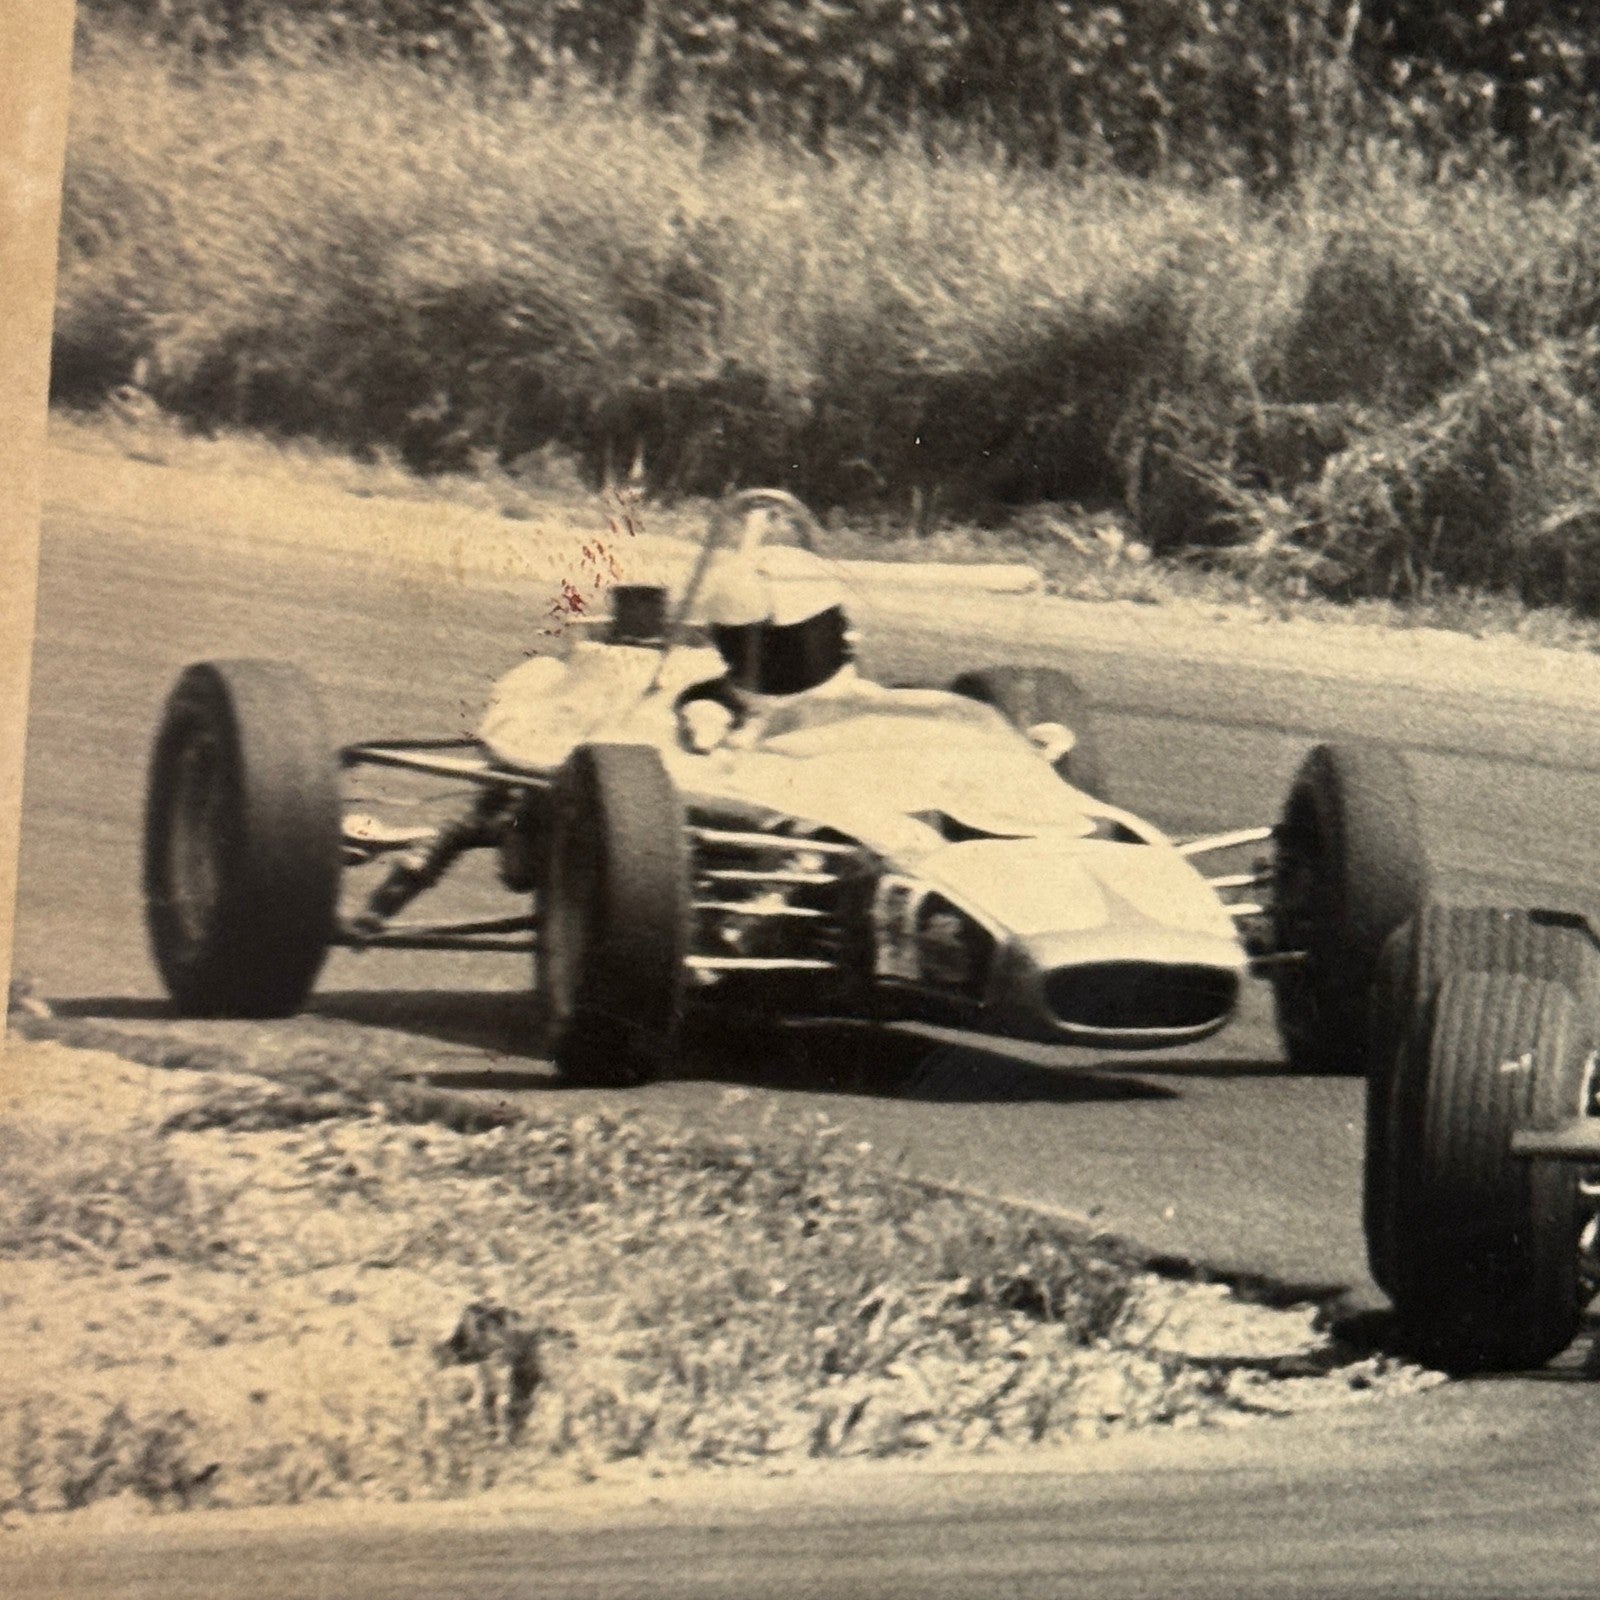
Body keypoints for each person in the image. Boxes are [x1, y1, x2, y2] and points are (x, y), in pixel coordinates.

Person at [674, 544, 859, 753]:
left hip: (761, 691)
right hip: (830, 679)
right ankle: (730, 723)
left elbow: (726, 642)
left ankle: (721, 724)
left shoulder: (733, 597)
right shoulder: (811, 583)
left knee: (695, 698)